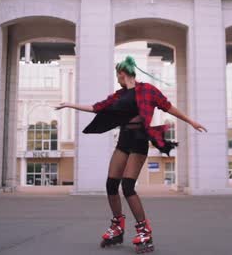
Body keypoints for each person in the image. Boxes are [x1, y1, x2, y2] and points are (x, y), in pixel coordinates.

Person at [55, 55, 207, 253]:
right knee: (111, 184)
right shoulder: (119, 95)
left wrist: (191, 121)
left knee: (127, 186)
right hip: (124, 139)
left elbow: (169, 107)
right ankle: (117, 225)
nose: (117, 79)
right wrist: (70, 104)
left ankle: (144, 230)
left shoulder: (148, 91)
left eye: (117, 75)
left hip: (139, 140)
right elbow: (96, 108)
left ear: (123, 73)